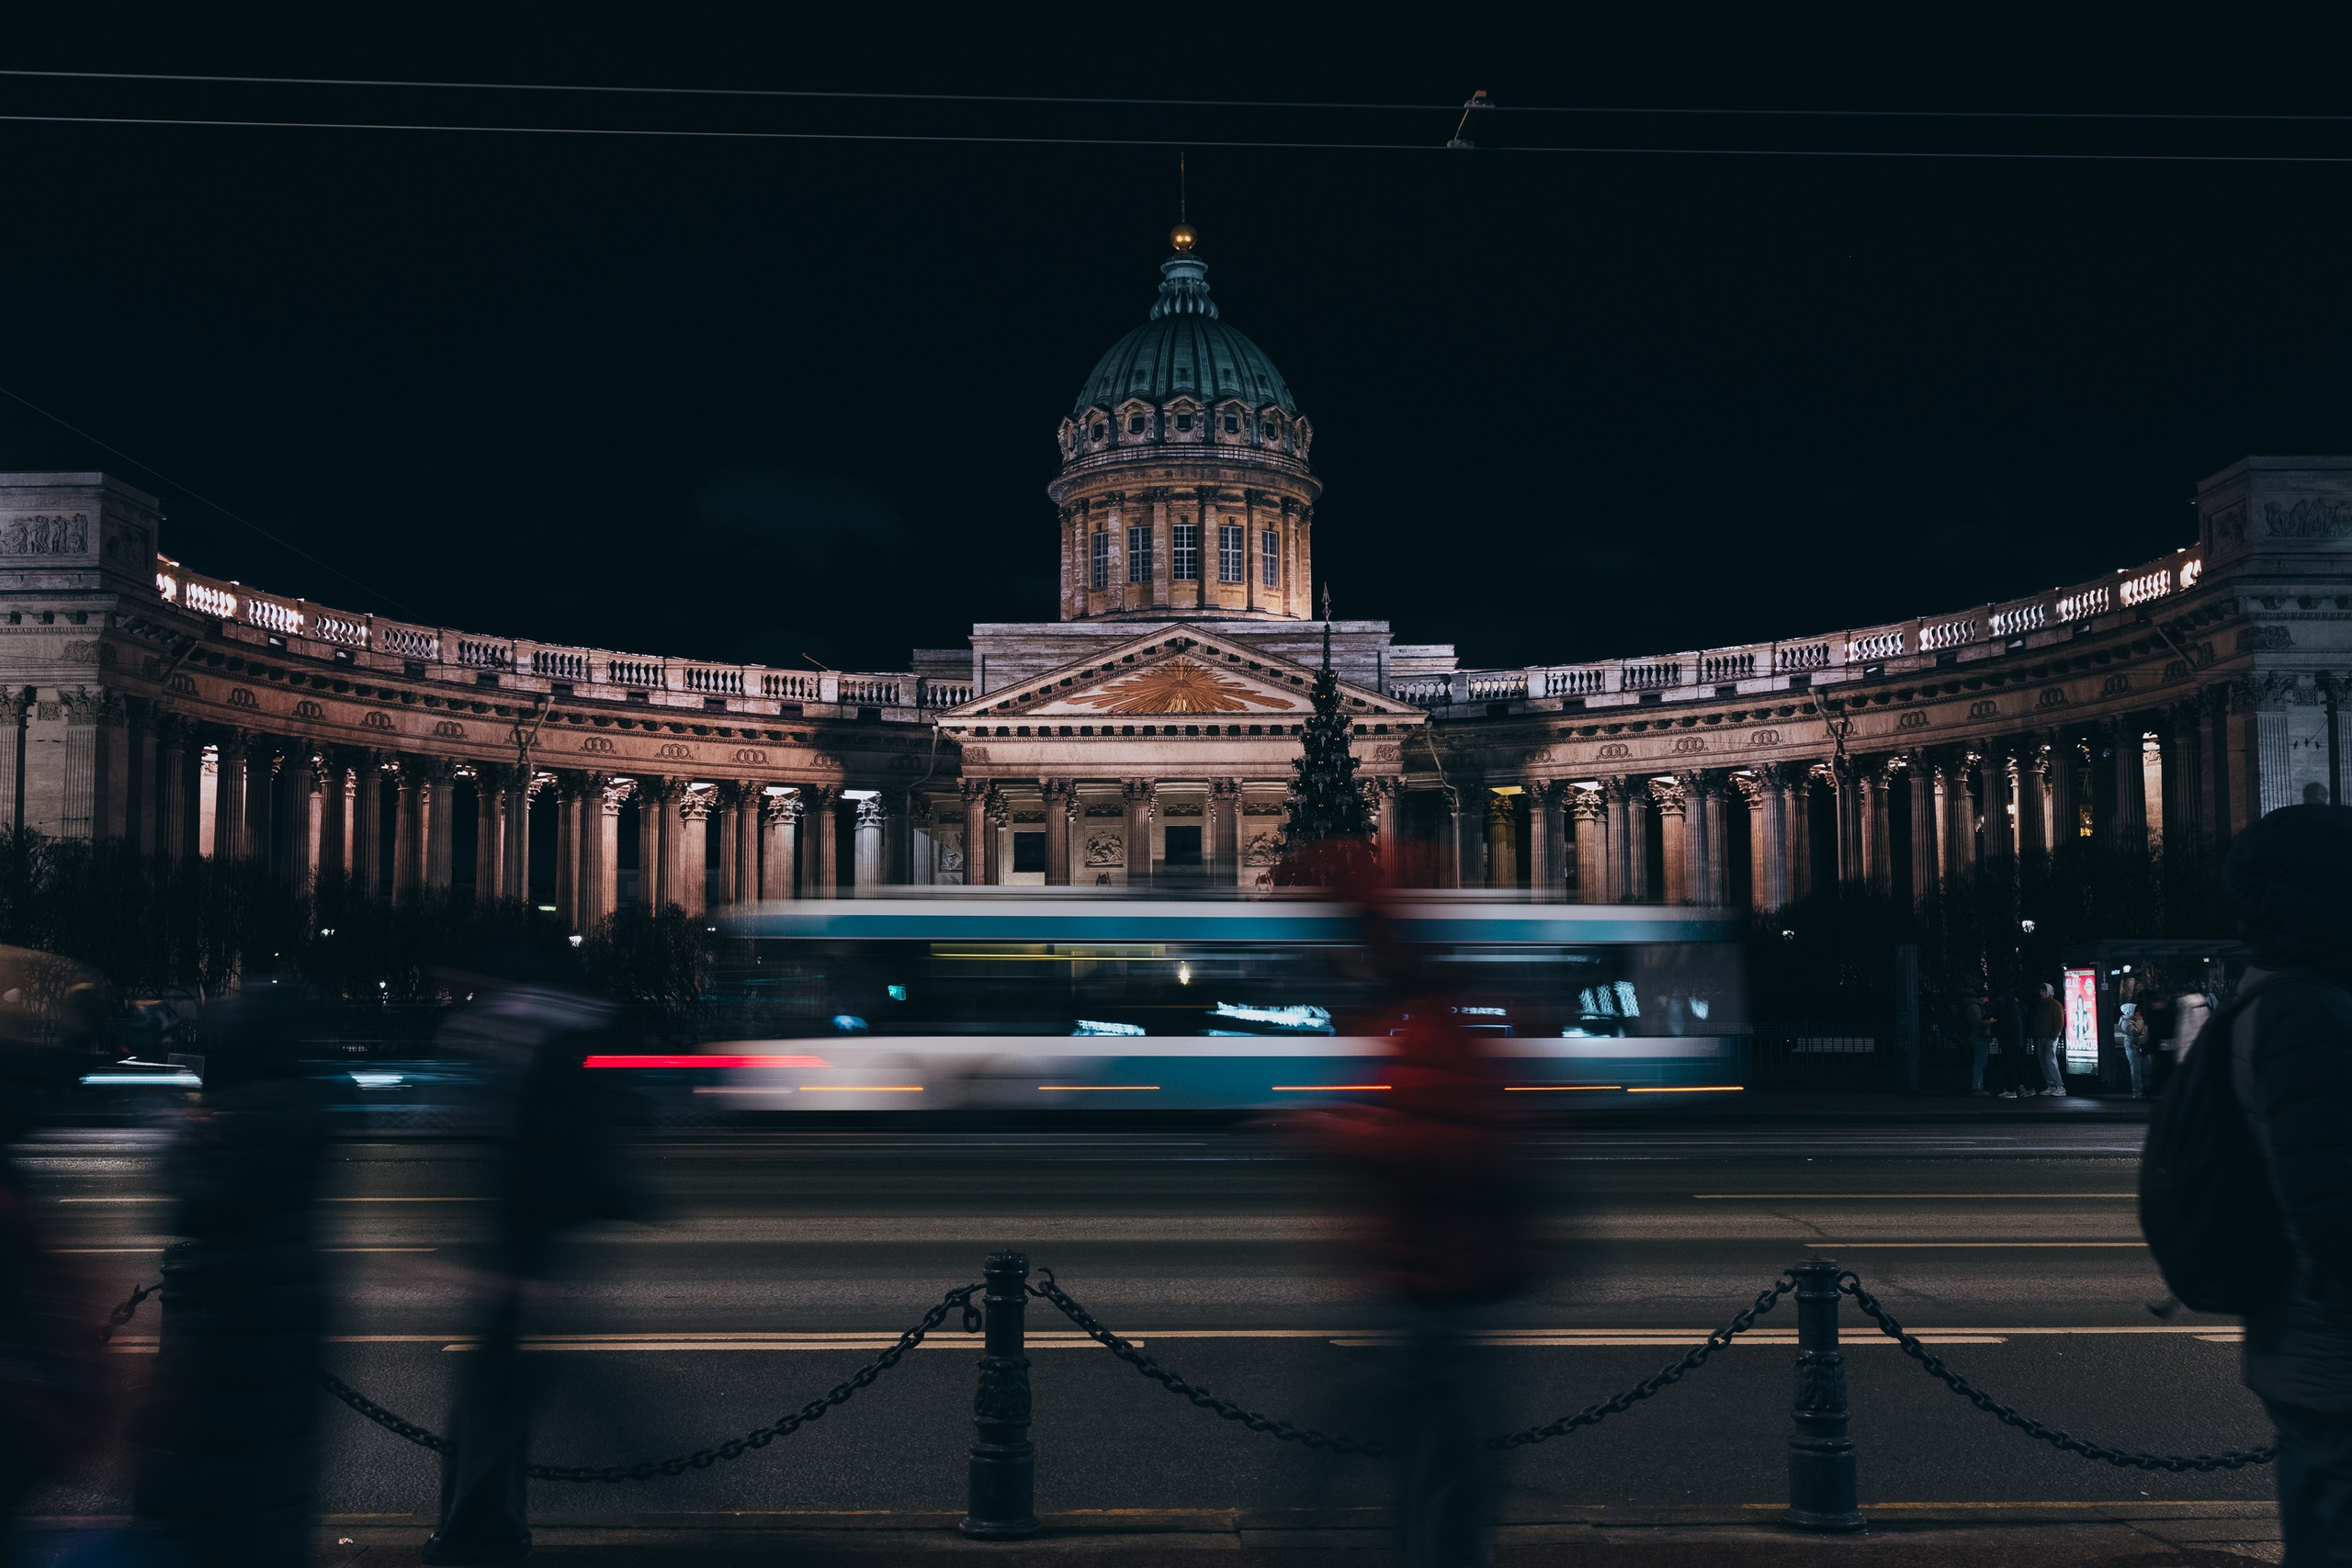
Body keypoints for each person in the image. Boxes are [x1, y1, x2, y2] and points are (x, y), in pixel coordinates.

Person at [423, 943, 641, 1568]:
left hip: (512, 1246)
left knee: (495, 1399)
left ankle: (476, 1532)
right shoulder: (567, 1034)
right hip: (532, 1248)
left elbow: (474, 1128)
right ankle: (483, 1532)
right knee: (508, 1396)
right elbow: (570, 1149)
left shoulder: (504, 1028)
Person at [133, 975, 334, 1568]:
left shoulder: (247, 1114)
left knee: (221, 1507)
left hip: (231, 1325)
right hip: (288, 1322)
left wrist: (175, 1133)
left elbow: (190, 1197)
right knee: (275, 1496)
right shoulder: (304, 1104)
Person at [2216, 803, 2352, 1564]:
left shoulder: (2275, 992)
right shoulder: (2307, 1011)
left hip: (2301, 1346)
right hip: (2333, 1352)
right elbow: (2334, 1209)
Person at [2030, 982, 2068, 1097]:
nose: (2041, 993)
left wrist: (2054, 1035)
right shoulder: (2045, 1004)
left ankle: (2059, 1085)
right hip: (2044, 1036)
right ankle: (2052, 1085)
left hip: (2049, 1037)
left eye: (2043, 991)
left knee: (2049, 1060)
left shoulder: (2054, 1005)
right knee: (2045, 1061)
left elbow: (2059, 1021)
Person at [1994, 988, 2032, 1098]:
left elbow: (2006, 1026)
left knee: (2008, 1066)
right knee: (2017, 1064)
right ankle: (2028, 1087)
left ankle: (2011, 1089)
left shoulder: (2008, 1010)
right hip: (2016, 1041)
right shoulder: (2016, 1009)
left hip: (2009, 1042)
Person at [2118, 1001, 2152, 1099]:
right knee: (2135, 1069)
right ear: (2130, 1012)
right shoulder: (2126, 1022)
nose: (2139, 1013)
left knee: (2143, 1068)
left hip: (2139, 1045)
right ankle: (2137, 1092)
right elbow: (2134, 1032)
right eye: (2136, 1012)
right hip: (2133, 1046)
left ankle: (2143, 1089)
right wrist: (2140, 1022)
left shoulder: (2132, 1020)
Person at [1964, 991, 1995, 1096]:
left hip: (1979, 1037)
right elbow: (1977, 1023)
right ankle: (1977, 1086)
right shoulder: (1975, 1007)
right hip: (1980, 1038)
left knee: (1980, 1062)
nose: (1987, 1001)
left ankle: (1978, 1085)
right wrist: (1989, 1022)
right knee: (1979, 1063)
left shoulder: (1974, 1007)